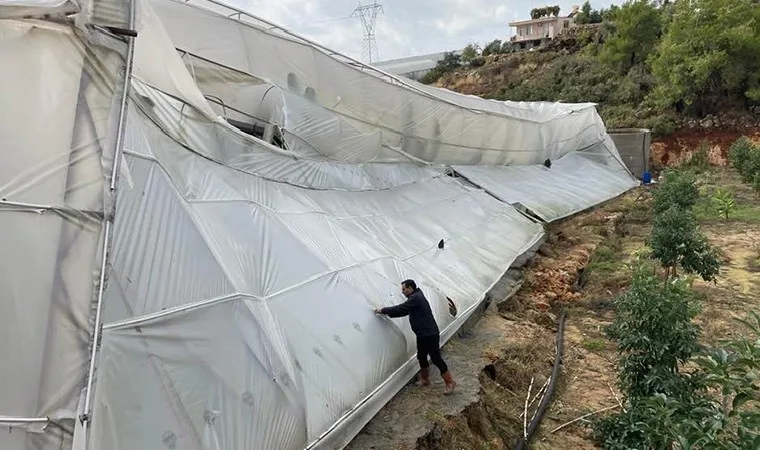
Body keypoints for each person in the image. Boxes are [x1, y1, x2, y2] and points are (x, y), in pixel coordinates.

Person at [374, 279, 456, 395]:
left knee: (436, 358)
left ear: (410, 288)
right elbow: (404, 311)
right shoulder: (415, 297)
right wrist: (388, 313)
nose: (402, 292)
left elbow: (401, 308)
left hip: (429, 334)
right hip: (422, 334)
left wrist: (382, 310)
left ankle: (450, 382)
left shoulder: (415, 298)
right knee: (421, 356)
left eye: (404, 289)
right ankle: (425, 379)